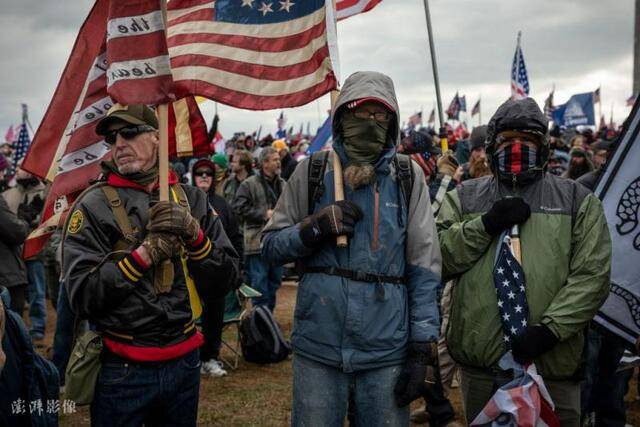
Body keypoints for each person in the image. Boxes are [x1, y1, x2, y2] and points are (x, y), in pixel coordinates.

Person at [261, 71, 442, 425]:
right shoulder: (311, 172)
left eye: (380, 116)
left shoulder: (407, 177)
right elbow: (270, 247)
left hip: (385, 350)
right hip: (319, 347)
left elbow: (424, 266)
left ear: (392, 123)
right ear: (341, 116)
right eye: (360, 114)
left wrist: (423, 345)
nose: (370, 123)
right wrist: (313, 229)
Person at [437, 98, 611, 426]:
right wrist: (484, 225)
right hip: (483, 374)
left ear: (543, 147)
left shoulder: (577, 201)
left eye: (528, 140)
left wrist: (549, 330)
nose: (517, 147)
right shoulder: (463, 198)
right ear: (491, 147)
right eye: (507, 140)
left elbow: (593, 276)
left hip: (553, 370)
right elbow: (438, 258)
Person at [62, 104, 239, 426]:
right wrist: (143, 255)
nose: (119, 144)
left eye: (129, 133)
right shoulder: (92, 205)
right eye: (113, 138)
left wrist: (196, 238)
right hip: (122, 366)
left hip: (185, 360)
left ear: (157, 138)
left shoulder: (192, 199)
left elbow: (226, 281)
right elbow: (81, 297)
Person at [191, 158, 243, 377]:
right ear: (193, 176)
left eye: (208, 173)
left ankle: (210, 357)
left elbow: (236, 238)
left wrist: (238, 269)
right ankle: (189, 359)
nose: (204, 176)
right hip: (188, 273)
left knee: (214, 316)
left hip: (215, 272)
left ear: (214, 178)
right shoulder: (184, 201)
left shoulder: (222, 205)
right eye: (199, 173)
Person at [233, 147, 284, 311]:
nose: (278, 162)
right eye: (275, 159)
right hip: (256, 243)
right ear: (265, 163)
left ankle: (267, 321)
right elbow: (238, 208)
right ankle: (260, 323)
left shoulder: (283, 184)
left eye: (278, 159)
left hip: (277, 242)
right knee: (260, 286)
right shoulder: (249, 184)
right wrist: (263, 214)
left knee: (274, 283)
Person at [3, 167, 47, 343]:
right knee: (16, 296)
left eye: (26, 168)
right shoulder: (8, 194)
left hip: (35, 251)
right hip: (13, 254)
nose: (23, 172)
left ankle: (37, 328)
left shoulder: (43, 193)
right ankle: (17, 331)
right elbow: (9, 226)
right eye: (20, 169)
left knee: (37, 291)